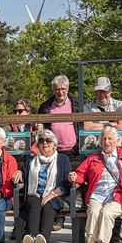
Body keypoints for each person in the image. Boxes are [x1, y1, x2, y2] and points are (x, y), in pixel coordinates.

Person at [83, 76, 122, 243]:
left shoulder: (120, 105)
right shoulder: (88, 107)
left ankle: (114, 234)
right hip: (94, 157)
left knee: (115, 189)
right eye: (98, 91)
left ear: (111, 91)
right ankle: (91, 239)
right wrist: (111, 124)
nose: (102, 94)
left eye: (105, 91)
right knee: (96, 193)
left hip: (116, 156)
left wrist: (100, 125)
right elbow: (86, 126)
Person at [11, 129, 71, 243]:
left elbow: (66, 183)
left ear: (54, 144)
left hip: (55, 195)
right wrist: (19, 172)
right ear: (38, 145)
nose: (45, 143)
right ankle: (32, 239)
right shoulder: (31, 161)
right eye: (41, 141)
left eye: (48, 140)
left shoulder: (62, 159)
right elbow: (24, 177)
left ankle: (43, 239)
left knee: (48, 206)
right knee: (34, 203)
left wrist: (52, 194)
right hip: (34, 194)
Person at [38, 75, 80, 231]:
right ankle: (58, 218)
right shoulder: (46, 106)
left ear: (67, 89)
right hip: (53, 151)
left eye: (63, 89)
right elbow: (41, 127)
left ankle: (76, 219)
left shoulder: (76, 103)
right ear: (53, 90)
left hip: (73, 150)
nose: (60, 92)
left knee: (72, 182)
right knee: (54, 183)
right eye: (57, 89)